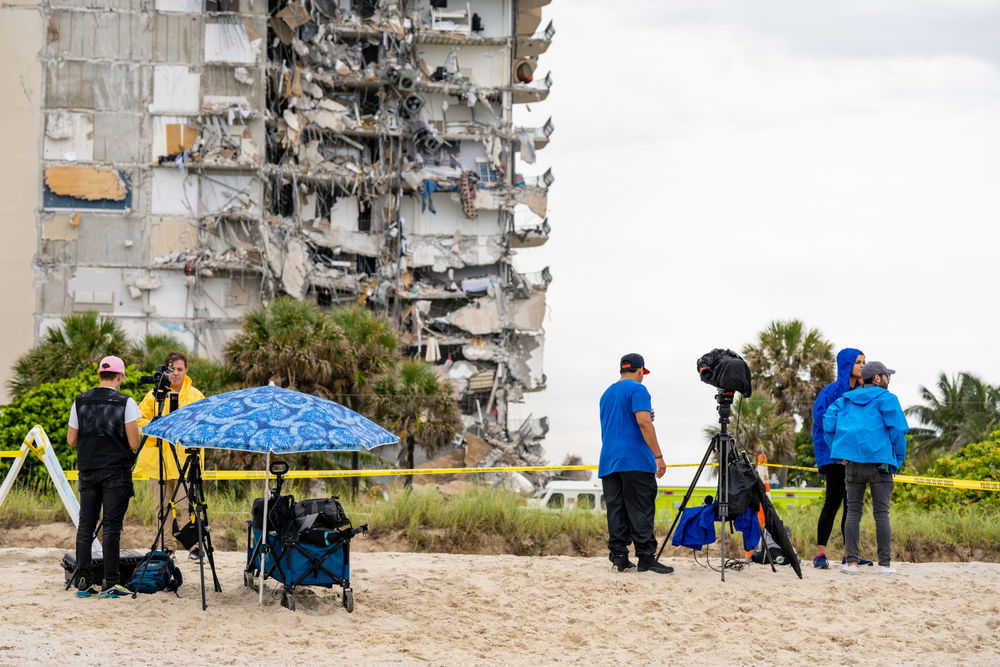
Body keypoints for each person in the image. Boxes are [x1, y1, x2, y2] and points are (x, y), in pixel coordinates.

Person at [824, 361, 909, 576]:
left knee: (853, 511)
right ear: (878, 378)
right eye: (886, 375)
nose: (889, 379)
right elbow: (898, 431)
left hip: (852, 463)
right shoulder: (887, 399)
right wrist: (896, 459)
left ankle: (851, 563)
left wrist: (837, 451)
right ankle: (885, 565)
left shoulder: (844, 400)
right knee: (882, 513)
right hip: (881, 464)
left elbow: (827, 421)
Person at [67, 356, 142, 598]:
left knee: (85, 527)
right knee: (111, 528)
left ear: (100, 374)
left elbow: (71, 440)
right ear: (119, 376)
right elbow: (133, 443)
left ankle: (83, 582)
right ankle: (111, 582)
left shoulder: (80, 401)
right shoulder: (126, 403)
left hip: (88, 470)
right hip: (116, 472)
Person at [598, 353, 672, 575]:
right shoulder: (638, 389)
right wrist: (658, 456)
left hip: (609, 460)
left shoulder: (606, 394)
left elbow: (624, 421)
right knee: (641, 508)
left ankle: (619, 557)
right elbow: (643, 423)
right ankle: (646, 559)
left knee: (616, 509)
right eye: (643, 374)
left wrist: (645, 417)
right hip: (635, 460)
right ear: (640, 370)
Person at [134, 352, 206, 561]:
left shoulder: (195, 396)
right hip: (157, 461)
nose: (175, 374)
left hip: (184, 461)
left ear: (186, 371)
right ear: (164, 371)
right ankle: (167, 547)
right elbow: (139, 420)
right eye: (171, 369)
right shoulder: (153, 395)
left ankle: (194, 546)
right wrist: (156, 427)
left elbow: (201, 426)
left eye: (179, 369)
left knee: (187, 505)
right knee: (162, 506)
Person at [810, 347, 866, 569]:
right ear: (846, 365)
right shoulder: (831, 391)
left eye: (864, 362)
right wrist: (838, 449)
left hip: (855, 456)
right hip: (832, 456)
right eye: (858, 362)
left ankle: (849, 554)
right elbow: (822, 419)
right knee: (833, 501)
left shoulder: (864, 391)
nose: (862, 366)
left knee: (852, 505)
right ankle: (820, 555)